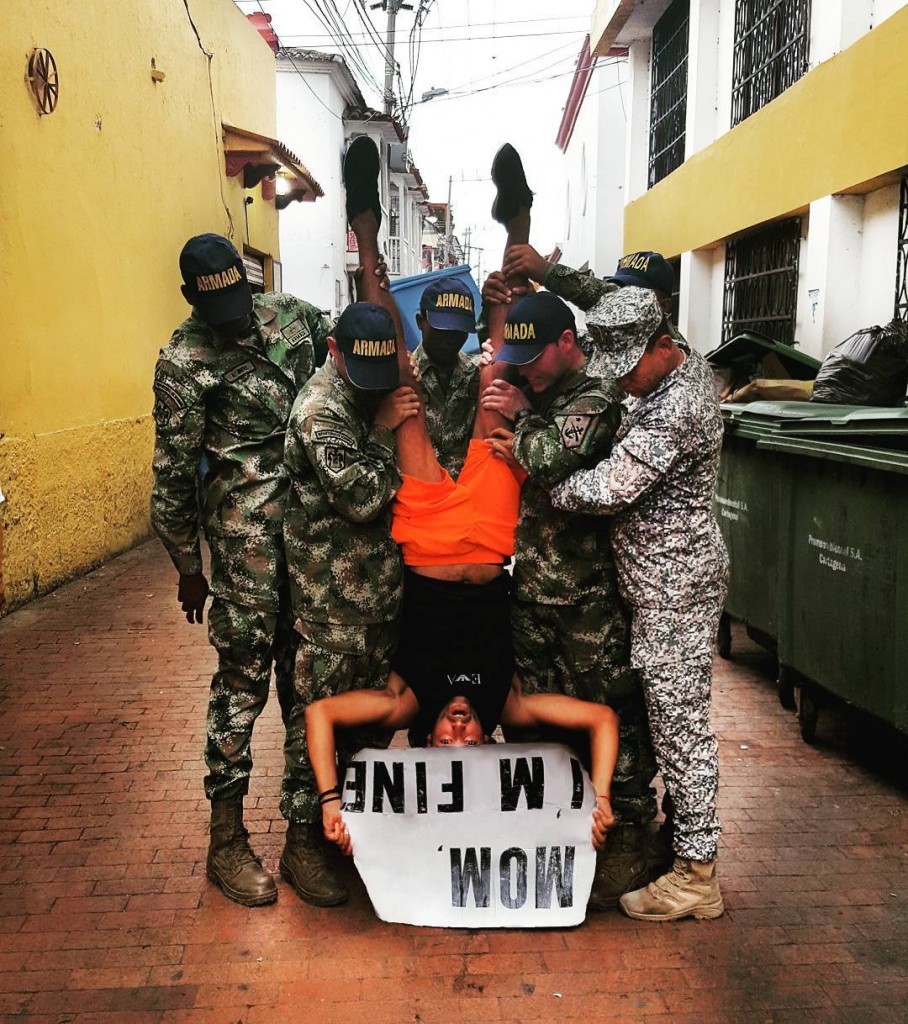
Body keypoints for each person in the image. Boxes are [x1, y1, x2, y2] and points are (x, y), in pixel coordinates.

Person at [151, 233, 331, 907]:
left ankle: (305, 837)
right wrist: (186, 568)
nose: (234, 314)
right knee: (241, 689)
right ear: (192, 296)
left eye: (238, 295)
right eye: (215, 302)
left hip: (314, 544)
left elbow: (343, 370)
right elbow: (171, 478)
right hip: (243, 556)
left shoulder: (295, 316)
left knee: (309, 688)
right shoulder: (184, 360)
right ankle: (225, 840)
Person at [548, 286, 729, 923]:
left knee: (682, 730)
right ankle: (682, 843)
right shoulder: (685, 361)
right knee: (671, 722)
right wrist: (554, 271)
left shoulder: (675, 410)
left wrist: (541, 477)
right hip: (665, 582)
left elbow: (607, 488)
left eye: (630, 368)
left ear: (661, 346)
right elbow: (611, 296)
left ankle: (696, 876)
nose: (622, 383)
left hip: (673, 589)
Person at [479, 289, 663, 909]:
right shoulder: (541, 391)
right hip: (532, 587)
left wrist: (522, 419)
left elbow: (548, 455)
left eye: (534, 354)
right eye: (517, 356)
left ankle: (635, 833)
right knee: (542, 717)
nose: (523, 365)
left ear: (568, 343)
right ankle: (562, 821)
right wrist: (522, 403)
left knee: (613, 712)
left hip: (587, 597)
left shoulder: (594, 398)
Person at [278, 135, 420, 908]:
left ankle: (350, 837)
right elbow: (368, 494)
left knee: (369, 733)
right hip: (332, 610)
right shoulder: (319, 412)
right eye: (361, 374)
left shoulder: (365, 380)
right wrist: (387, 429)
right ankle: (305, 845)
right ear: (334, 350)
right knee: (319, 732)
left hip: (376, 603)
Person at [412, 277, 480, 480]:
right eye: (442, 329)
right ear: (420, 322)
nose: (450, 338)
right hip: (420, 495)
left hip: (465, 497)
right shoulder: (405, 376)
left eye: (459, 330)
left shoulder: (475, 375)